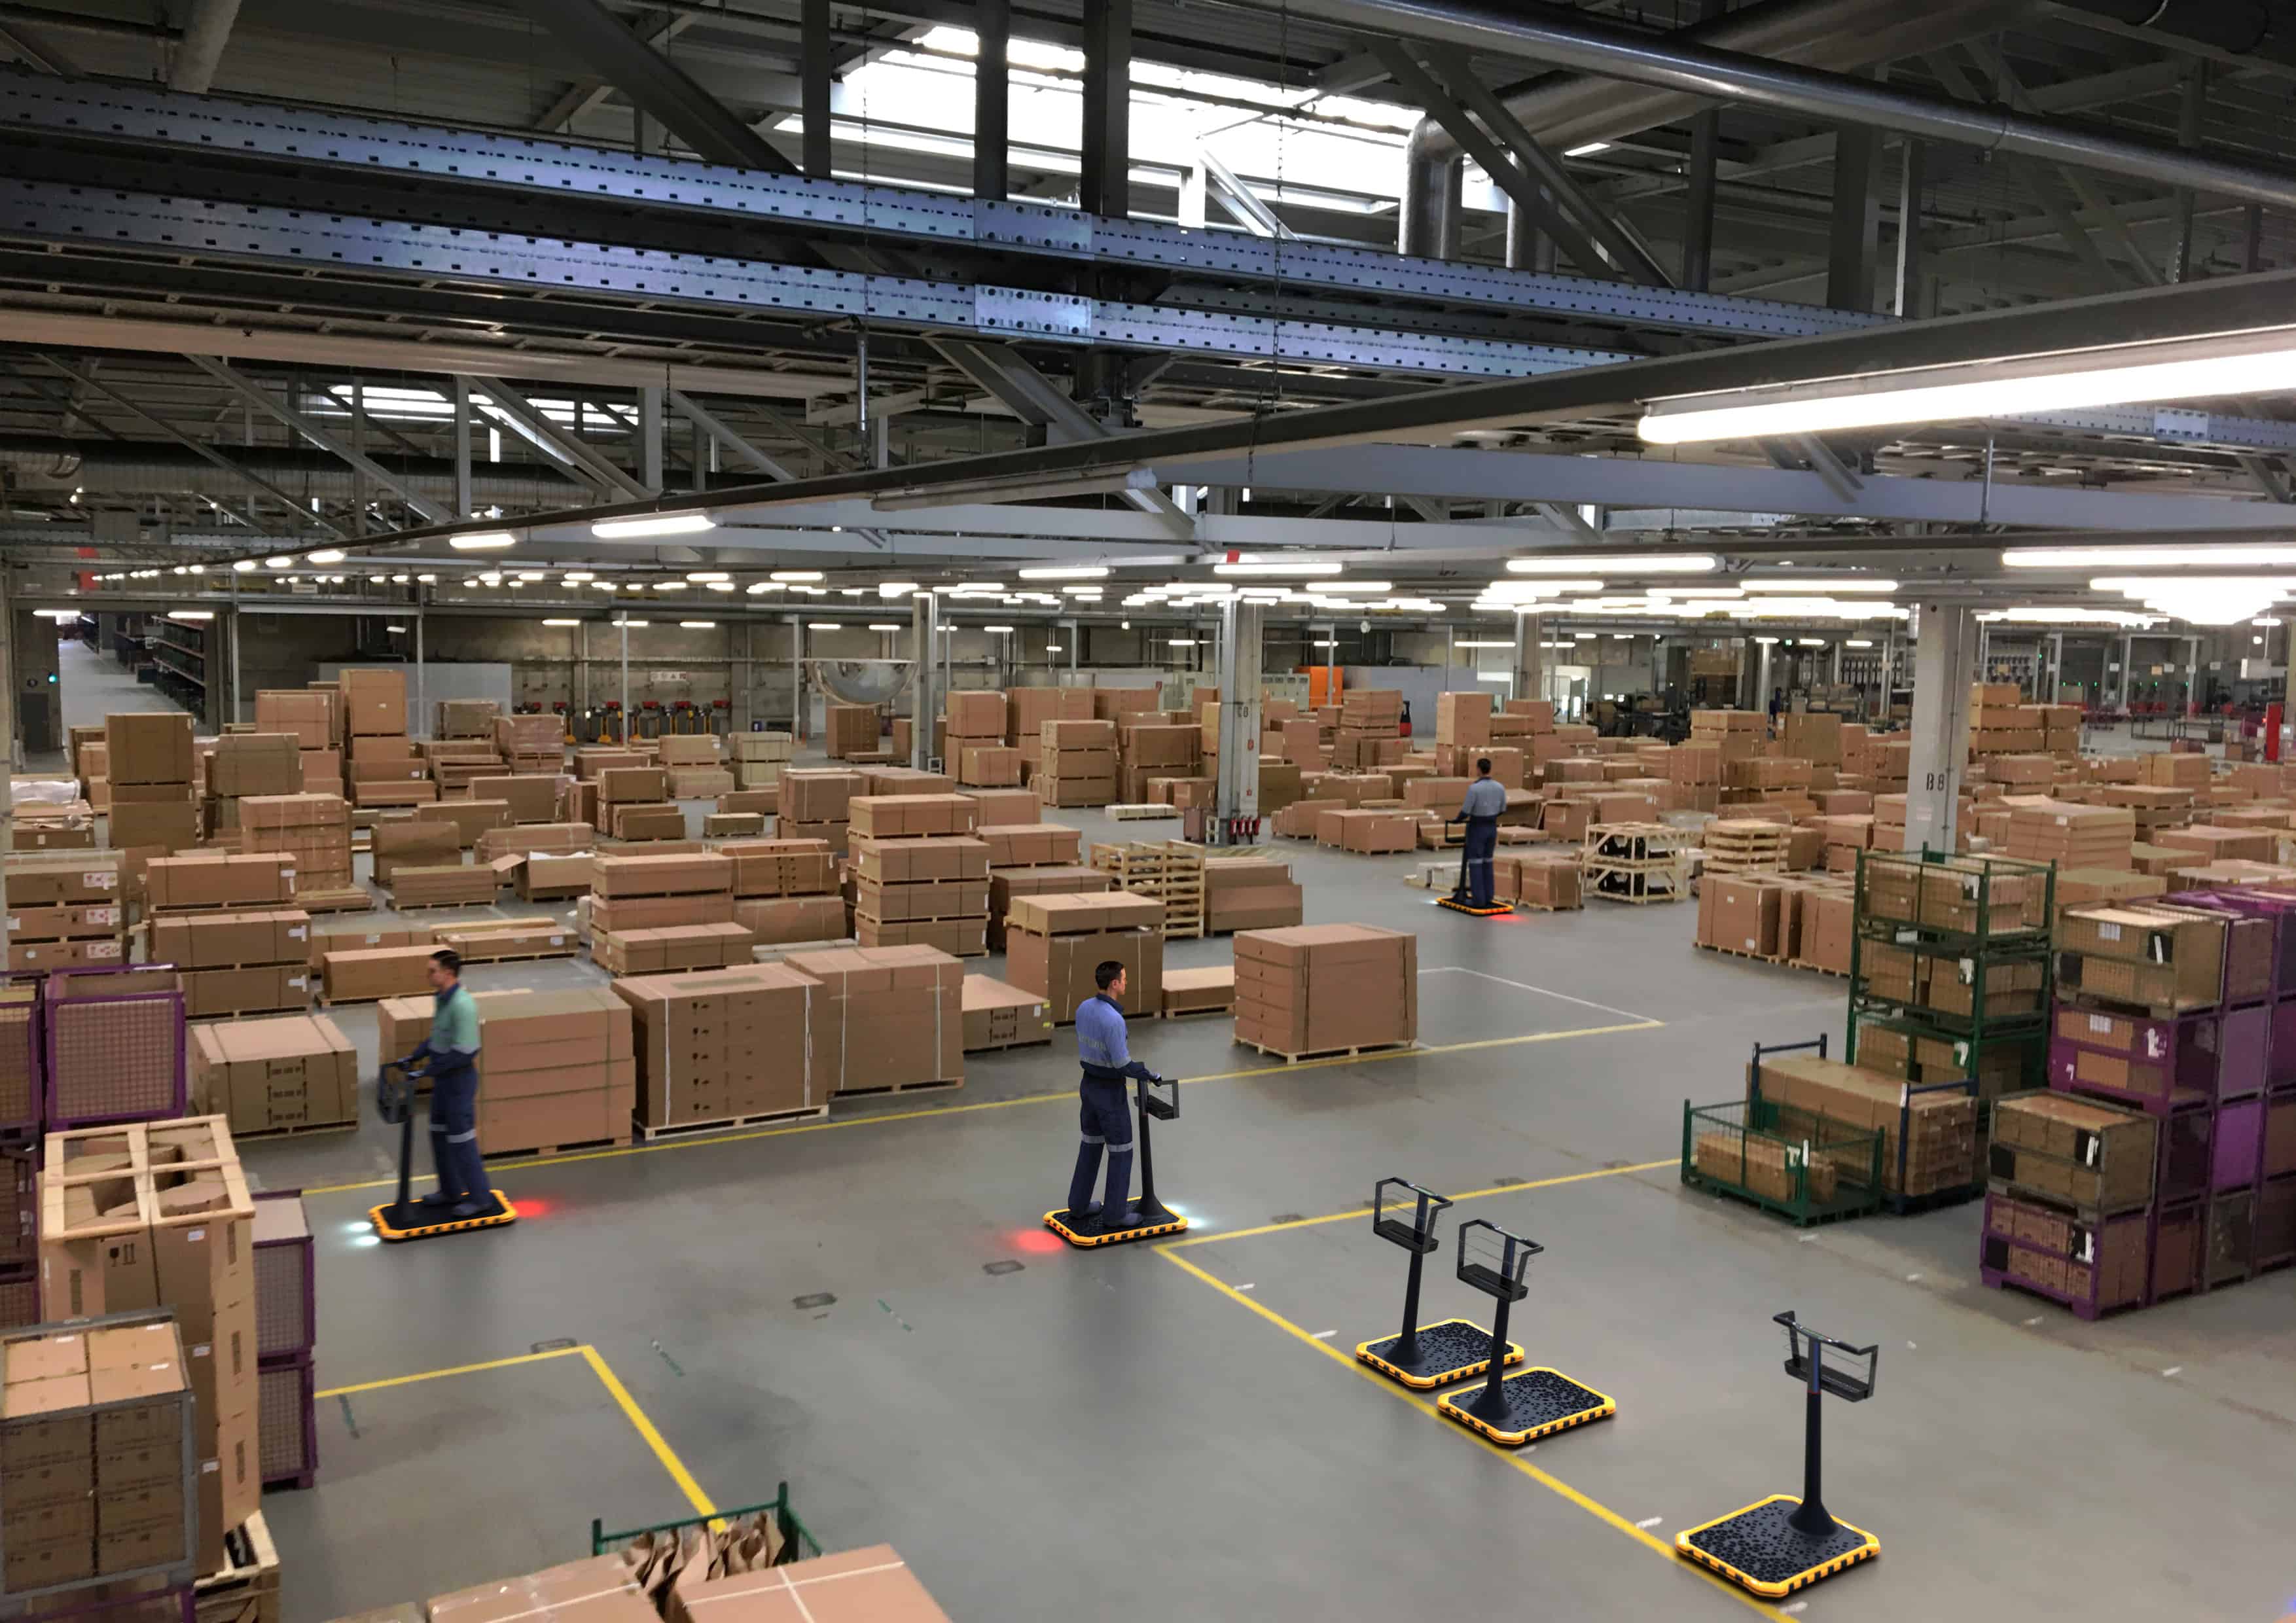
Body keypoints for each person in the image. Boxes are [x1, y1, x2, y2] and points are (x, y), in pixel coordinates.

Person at [1068, 961, 1160, 1234]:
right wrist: (1148, 1074)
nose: (1126, 983)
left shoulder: (1084, 1008)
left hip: (1088, 1086)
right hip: (1109, 1092)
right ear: (1115, 984)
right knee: (1121, 1150)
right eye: (1124, 978)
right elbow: (1122, 1064)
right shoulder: (1113, 1020)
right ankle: (1115, 1215)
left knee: (1090, 1144)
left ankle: (1078, 1205)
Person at [407, 948, 488, 1218]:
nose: (428, 975)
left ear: (449, 973)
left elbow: (466, 1052)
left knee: (462, 1141)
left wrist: (427, 1071)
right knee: (439, 1135)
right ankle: (450, 1191)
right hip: (443, 1081)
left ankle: (480, 1198)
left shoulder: (463, 1005)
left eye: (433, 971)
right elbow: (438, 1038)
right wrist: (415, 1056)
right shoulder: (442, 999)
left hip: (458, 1082)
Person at [1455, 757, 1508, 909]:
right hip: (1492, 827)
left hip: (1477, 828)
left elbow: (1466, 811)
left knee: (1476, 863)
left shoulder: (1474, 789)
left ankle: (1479, 900)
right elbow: (1503, 809)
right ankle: (1489, 896)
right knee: (1488, 861)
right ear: (1490, 769)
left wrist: (1457, 820)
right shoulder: (1500, 787)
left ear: (1478, 769)